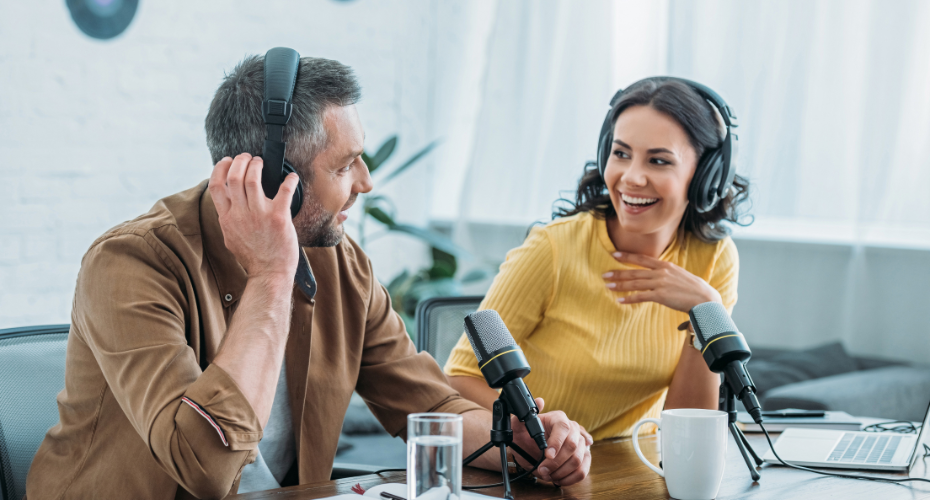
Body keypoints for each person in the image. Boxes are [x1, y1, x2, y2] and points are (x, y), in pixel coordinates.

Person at [25, 53, 590, 499]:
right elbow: (203, 466)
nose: (365, 183)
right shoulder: (132, 263)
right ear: (273, 179)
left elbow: (431, 409)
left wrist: (517, 442)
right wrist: (272, 274)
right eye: (344, 166)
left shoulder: (339, 262)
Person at [445, 78, 751, 443]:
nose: (631, 177)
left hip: (631, 472)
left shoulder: (714, 258)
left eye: (658, 160)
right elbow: (460, 380)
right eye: (621, 154)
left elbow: (690, 431)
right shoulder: (553, 249)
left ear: (705, 175)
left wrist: (706, 310)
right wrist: (545, 432)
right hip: (541, 464)